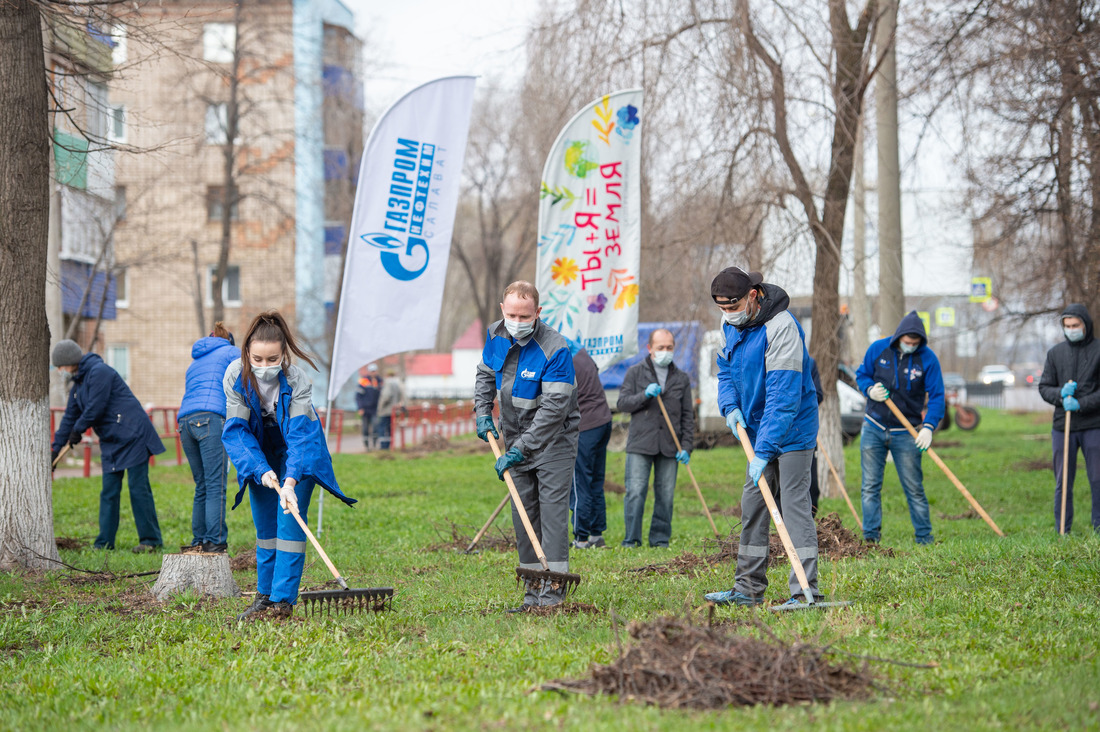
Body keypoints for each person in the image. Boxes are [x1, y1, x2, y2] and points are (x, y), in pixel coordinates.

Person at [222, 311, 356, 621]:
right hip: (258, 450)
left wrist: (291, 480)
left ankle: (282, 601)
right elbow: (237, 433)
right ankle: (265, 595)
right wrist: (262, 470)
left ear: (284, 355)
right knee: (266, 526)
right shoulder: (235, 377)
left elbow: (300, 438)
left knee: (290, 521)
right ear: (246, 353)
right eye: (257, 358)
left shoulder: (297, 380)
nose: (264, 367)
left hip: (298, 451)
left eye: (272, 359)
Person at [702, 267, 819, 607]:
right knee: (753, 505)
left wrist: (765, 450)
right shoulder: (730, 327)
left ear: (752, 295)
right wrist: (729, 407)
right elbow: (724, 372)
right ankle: (748, 590)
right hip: (754, 430)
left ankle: (804, 590)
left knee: (794, 506)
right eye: (722, 308)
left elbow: (783, 398)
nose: (728, 315)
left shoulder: (781, 327)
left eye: (733, 306)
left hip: (793, 429)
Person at [474, 281, 580, 612]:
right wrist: (482, 413)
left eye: (524, 315)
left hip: (553, 442)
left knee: (551, 520)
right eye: (511, 314)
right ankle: (532, 595)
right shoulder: (496, 334)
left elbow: (554, 410)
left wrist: (522, 448)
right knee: (523, 518)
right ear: (503, 310)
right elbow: (484, 376)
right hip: (514, 438)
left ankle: (553, 596)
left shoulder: (555, 348)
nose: (516, 320)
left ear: (538, 312)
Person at [50, 339, 165, 553]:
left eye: (61, 365)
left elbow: (96, 407)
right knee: (109, 491)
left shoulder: (99, 372)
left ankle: (151, 541)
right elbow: (69, 418)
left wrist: (79, 429)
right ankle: (104, 543)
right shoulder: (78, 386)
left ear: (70, 360)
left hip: (133, 434)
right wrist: (55, 450)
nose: (60, 370)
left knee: (138, 489)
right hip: (112, 441)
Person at [855, 310, 944, 545]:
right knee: (870, 486)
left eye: (915, 343)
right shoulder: (878, 349)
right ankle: (871, 538)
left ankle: (924, 537)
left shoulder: (928, 359)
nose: (910, 346)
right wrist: (869, 389)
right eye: (907, 342)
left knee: (914, 487)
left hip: (907, 431)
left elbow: (937, 396)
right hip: (874, 425)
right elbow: (862, 375)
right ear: (899, 338)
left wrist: (929, 426)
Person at [616, 328, 694, 548]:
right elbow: (622, 403)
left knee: (666, 495)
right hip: (641, 444)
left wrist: (687, 446)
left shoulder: (681, 378)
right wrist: (644, 395)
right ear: (650, 349)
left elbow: (688, 415)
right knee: (635, 493)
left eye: (669, 347)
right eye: (661, 347)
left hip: (671, 445)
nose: (665, 351)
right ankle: (631, 539)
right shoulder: (635, 373)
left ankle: (660, 539)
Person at [1038, 304, 1100, 534]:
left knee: (1097, 479)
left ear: (1085, 325)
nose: (1072, 330)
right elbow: (1044, 387)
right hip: (1063, 427)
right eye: (1067, 326)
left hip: (1094, 425)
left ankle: (1099, 528)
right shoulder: (1055, 354)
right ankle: (1063, 530)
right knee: (1063, 482)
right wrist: (1059, 395)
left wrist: (1082, 403)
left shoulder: (1098, 350)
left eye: (1076, 325)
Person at [177, 323, 238, 554]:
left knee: (201, 485)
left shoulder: (195, 361)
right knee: (215, 485)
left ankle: (199, 541)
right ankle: (216, 542)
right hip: (211, 419)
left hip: (185, 423)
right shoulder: (231, 352)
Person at [567, 340, 612, 549]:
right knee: (595, 481)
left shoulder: (564, 359)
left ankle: (581, 538)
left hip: (585, 425)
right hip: (603, 421)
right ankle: (596, 534)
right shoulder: (582, 353)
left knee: (580, 482)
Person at [375, 368, 404, 450]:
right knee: (389, 428)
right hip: (393, 410)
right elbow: (400, 396)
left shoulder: (388, 383)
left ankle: (383, 446)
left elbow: (386, 396)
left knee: (382, 428)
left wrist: (380, 406)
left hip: (386, 410)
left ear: (387, 375)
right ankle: (389, 445)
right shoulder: (397, 384)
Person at [355, 364, 382, 450]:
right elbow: (358, 396)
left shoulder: (380, 381)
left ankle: (374, 444)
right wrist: (360, 408)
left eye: (374, 371)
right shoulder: (363, 381)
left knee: (375, 427)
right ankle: (367, 445)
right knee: (365, 428)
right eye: (371, 371)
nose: (373, 373)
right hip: (365, 409)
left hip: (375, 409)